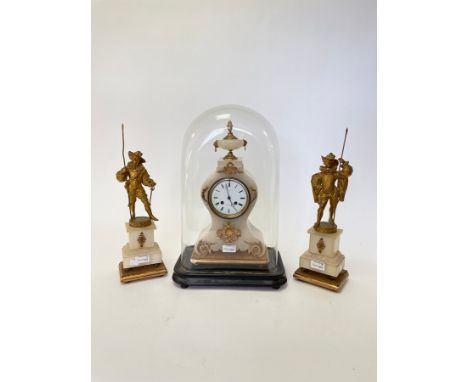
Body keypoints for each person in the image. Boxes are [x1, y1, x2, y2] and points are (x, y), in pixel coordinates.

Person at [116, 150, 158, 221]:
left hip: (139, 187)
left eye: (137, 159)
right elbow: (121, 178)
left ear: (139, 160)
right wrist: (122, 173)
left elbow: (145, 180)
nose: (136, 160)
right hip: (131, 188)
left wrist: (150, 183)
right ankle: (133, 216)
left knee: (146, 202)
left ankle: (151, 215)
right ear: (132, 158)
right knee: (131, 203)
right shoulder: (128, 167)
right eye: (134, 158)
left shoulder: (142, 169)